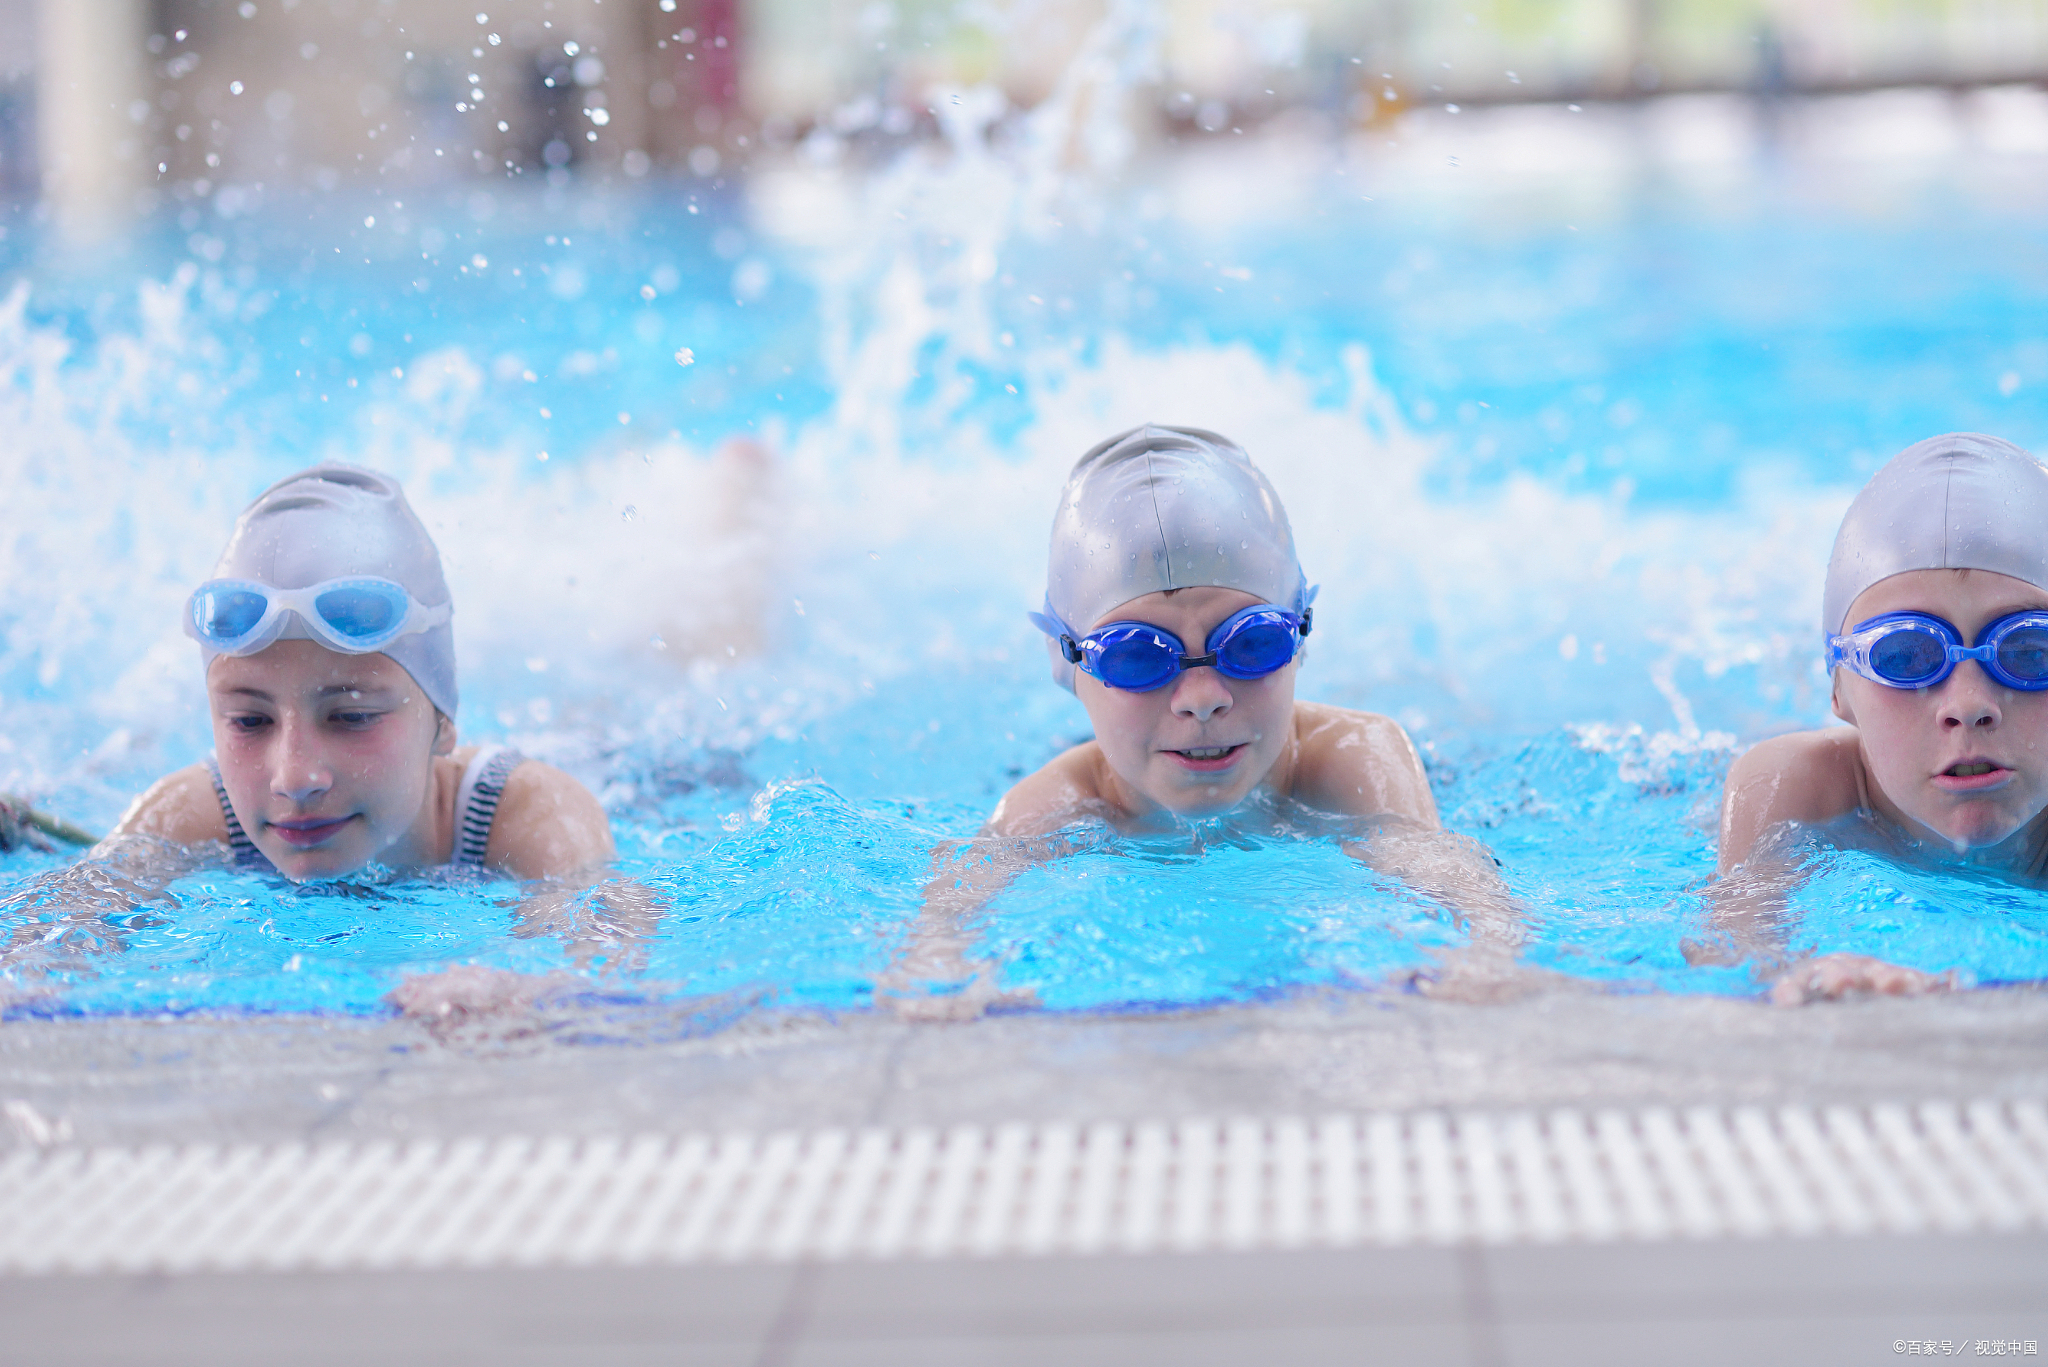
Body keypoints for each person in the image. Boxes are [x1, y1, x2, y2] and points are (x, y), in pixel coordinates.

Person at [882, 424, 1518, 1015]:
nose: (1202, 696)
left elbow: (1465, 896)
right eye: (1136, 658)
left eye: (1252, 644)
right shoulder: (1057, 803)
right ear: (1070, 664)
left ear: (1301, 636)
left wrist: (1480, 958)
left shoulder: (1352, 757)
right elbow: (941, 921)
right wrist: (942, 969)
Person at [114, 463, 614, 880]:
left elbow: (609, 968)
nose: (295, 779)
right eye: (249, 721)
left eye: (351, 717)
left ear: (441, 719)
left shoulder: (533, 816)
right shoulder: (194, 816)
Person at [1712, 433, 2048, 1003]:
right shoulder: (1796, 792)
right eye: (1906, 657)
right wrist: (1810, 975)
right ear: (1840, 689)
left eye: (2030, 652)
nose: (1968, 705)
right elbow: (1731, 963)